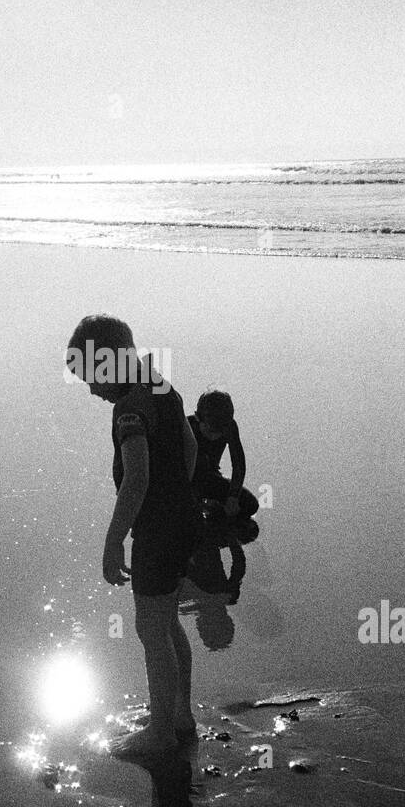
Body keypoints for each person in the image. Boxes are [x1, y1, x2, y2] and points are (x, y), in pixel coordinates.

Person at [65, 314, 203, 756]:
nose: (91, 390)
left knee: (150, 630)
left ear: (108, 362)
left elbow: (137, 479)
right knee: (167, 622)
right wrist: (180, 494)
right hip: (182, 519)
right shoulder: (158, 381)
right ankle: (178, 714)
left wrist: (113, 540)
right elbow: (190, 444)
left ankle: (161, 731)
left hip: (156, 530)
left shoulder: (129, 410)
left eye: (91, 379)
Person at [188, 391, 259, 519]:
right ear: (198, 418)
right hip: (187, 481)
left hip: (211, 478)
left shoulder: (229, 427)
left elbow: (238, 464)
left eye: (219, 431)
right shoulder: (187, 427)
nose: (214, 436)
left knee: (250, 504)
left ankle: (212, 511)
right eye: (210, 430)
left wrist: (233, 497)